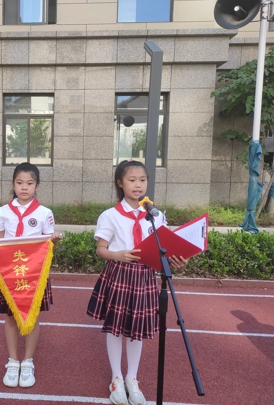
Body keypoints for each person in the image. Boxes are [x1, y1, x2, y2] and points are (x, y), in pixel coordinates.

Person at [87, 159, 188, 405]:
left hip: (144, 277)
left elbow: (164, 248)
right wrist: (117, 255)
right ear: (120, 183)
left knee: (137, 329)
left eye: (142, 180)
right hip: (120, 274)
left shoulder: (155, 215)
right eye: (132, 180)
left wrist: (177, 260)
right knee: (115, 327)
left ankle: (132, 377)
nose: (138, 185)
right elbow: (101, 249)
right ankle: (116, 378)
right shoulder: (110, 215)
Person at [0, 162, 61, 389]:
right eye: (19, 183)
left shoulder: (44, 213)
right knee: (10, 317)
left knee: (32, 317)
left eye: (29, 183)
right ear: (13, 184)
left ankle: (28, 361)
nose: (24, 187)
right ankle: (13, 361)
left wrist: (54, 240)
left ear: (37, 186)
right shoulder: (3, 211)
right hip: (10, 273)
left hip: (34, 275)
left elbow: (47, 245)